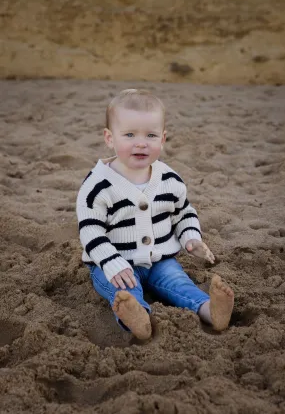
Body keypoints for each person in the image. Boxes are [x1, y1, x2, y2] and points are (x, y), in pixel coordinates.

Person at [76, 89, 234, 340]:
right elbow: (90, 230)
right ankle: (137, 319)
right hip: (116, 264)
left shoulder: (169, 179)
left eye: (150, 135)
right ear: (109, 138)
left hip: (160, 260)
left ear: (163, 139)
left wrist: (190, 238)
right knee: (125, 291)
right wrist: (110, 262)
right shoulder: (97, 186)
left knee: (180, 285)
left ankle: (210, 311)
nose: (141, 143)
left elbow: (183, 212)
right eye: (129, 135)